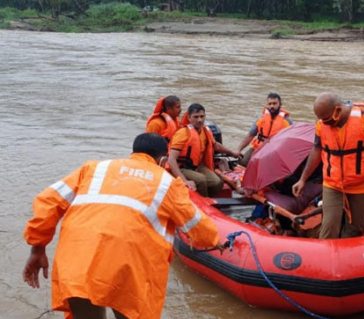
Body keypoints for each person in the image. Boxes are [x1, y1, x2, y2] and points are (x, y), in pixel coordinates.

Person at [22, 133, 224, 319]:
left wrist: (37, 247)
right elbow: (197, 225)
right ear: (163, 160)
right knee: (131, 309)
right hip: (129, 269)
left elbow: (48, 200)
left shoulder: (93, 169)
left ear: (132, 153)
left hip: (77, 261)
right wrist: (216, 241)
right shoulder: (168, 183)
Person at [291, 93, 364, 239]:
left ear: (338, 110)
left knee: (354, 230)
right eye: (321, 119)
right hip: (333, 184)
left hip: (361, 184)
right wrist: (303, 179)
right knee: (329, 226)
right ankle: (325, 257)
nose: (324, 122)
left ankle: (347, 257)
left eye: (327, 119)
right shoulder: (322, 123)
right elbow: (317, 150)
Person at [168, 103, 241, 197]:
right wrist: (184, 180)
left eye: (202, 116)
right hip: (182, 167)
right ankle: (204, 202)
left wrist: (232, 153)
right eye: (196, 117)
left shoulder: (206, 130)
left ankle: (206, 198)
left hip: (197, 166)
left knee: (217, 182)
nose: (199, 120)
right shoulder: (182, 133)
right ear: (189, 118)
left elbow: (216, 146)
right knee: (201, 180)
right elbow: (171, 159)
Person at [237, 93, 293, 167]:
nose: (272, 106)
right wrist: (238, 149)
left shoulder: (287, 122)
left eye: (274, 103)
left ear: (280, 104)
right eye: (269, 104)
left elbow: (292, 141)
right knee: (243, 162)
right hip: (258, 147)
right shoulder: (261, 119)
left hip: (276, 151)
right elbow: (250, 135)